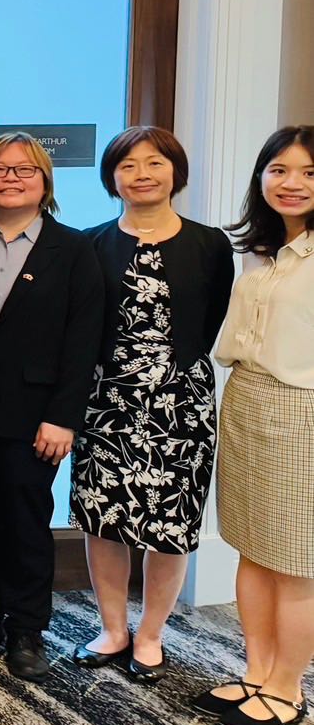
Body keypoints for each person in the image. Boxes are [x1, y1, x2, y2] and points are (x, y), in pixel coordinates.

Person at [71, 127, 233, 683]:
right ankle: (113, 628)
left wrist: (169, 372)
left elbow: (211, 321)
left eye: (155, 163)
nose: (142, 174)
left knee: (172, 523)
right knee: (103, 519)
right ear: (112, 176)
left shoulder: (211, 244)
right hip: (106, 401)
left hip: (182, 402)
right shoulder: (90, 243)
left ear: (175, 172)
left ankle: (152, 634)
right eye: (128, 165)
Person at [0, 132, 104, 682]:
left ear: (45, 183)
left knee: (24, 519)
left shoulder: (73, 248)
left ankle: (26, 629)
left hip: (36, 415)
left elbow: (84, 339)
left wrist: (64, 416)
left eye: (25, 170)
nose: (10, 178)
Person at [193, 125, 314, 725]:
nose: (291, 183)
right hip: (245, 400)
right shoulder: (262, 252)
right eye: (279, 170)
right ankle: (257, 671)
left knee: (296, 559)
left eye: (309, 173)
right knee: (252, 547)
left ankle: (288, 690)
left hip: (304, 410)